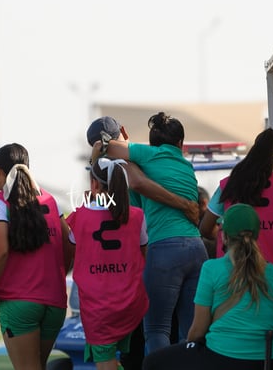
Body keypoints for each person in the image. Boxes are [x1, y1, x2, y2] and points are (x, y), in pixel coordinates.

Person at [86, 116, 201, 368]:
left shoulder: (148, 154)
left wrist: (97, 157)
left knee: (157, 329)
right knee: (189, 332)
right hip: (196, 247)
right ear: (181, 143)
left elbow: (106, 146)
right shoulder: (185, 165)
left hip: (164, 249)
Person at [199, 127, 273, 367]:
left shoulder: (228, 185)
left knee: (230, 355)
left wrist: (226, 234)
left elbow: (204, 229)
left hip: (229, 284)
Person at [142, 203, 273, 370]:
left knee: (152, 362)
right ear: (256, 235)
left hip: (222, 358)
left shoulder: (211, 269)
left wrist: (188, 344)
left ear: (225, 236)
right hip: (269, 361)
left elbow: (198, 331)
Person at [0, 143, 73, 370]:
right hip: (54, 302)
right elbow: (71, 240)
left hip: (19, 301)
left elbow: (2, 251)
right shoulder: (49, 200)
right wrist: (62, 271)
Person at [66, 157, 149, 370]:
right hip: (131, 301)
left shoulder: (79, 216)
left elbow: (74, 252)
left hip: (98, 306)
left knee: (105, 362)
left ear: (94, 184)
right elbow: (143, 252)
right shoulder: (138, 215)